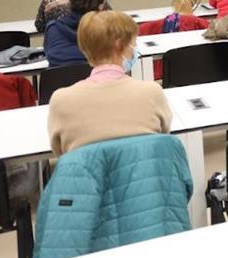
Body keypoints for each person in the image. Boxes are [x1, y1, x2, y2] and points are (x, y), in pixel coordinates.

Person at [47, 10, 172, 156]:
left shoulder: (60, 101)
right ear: (119, 46)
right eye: (133, 43)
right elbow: (163, 136)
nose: (135, 50)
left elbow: (60, 153)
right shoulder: (152, 93)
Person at [44, 0, 108, 67]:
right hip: (97, 79)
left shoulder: (52, 28)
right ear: (101, 6)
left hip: (60, 80)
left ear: (70, 1)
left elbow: (48, 55)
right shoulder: (106, 31)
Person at [138, 0, 210, 36]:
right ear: (192, 4)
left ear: (174, 4)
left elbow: (140, 30)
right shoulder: (199, 22)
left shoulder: (165, 21)